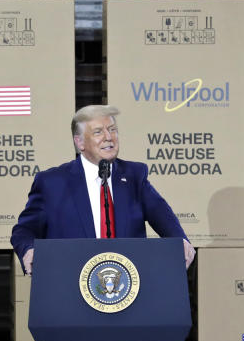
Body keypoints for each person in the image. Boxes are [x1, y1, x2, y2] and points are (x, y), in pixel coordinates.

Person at [10, 104, 196, 273]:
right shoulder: (52, 182)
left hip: (127, 283)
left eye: (113, 130)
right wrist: (29, 250)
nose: (109, 137)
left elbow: (163, 215)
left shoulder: (134, 176)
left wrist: (181, 241)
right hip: (70, 281)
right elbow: (24, 230)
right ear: (80, 142)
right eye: (98, 132)